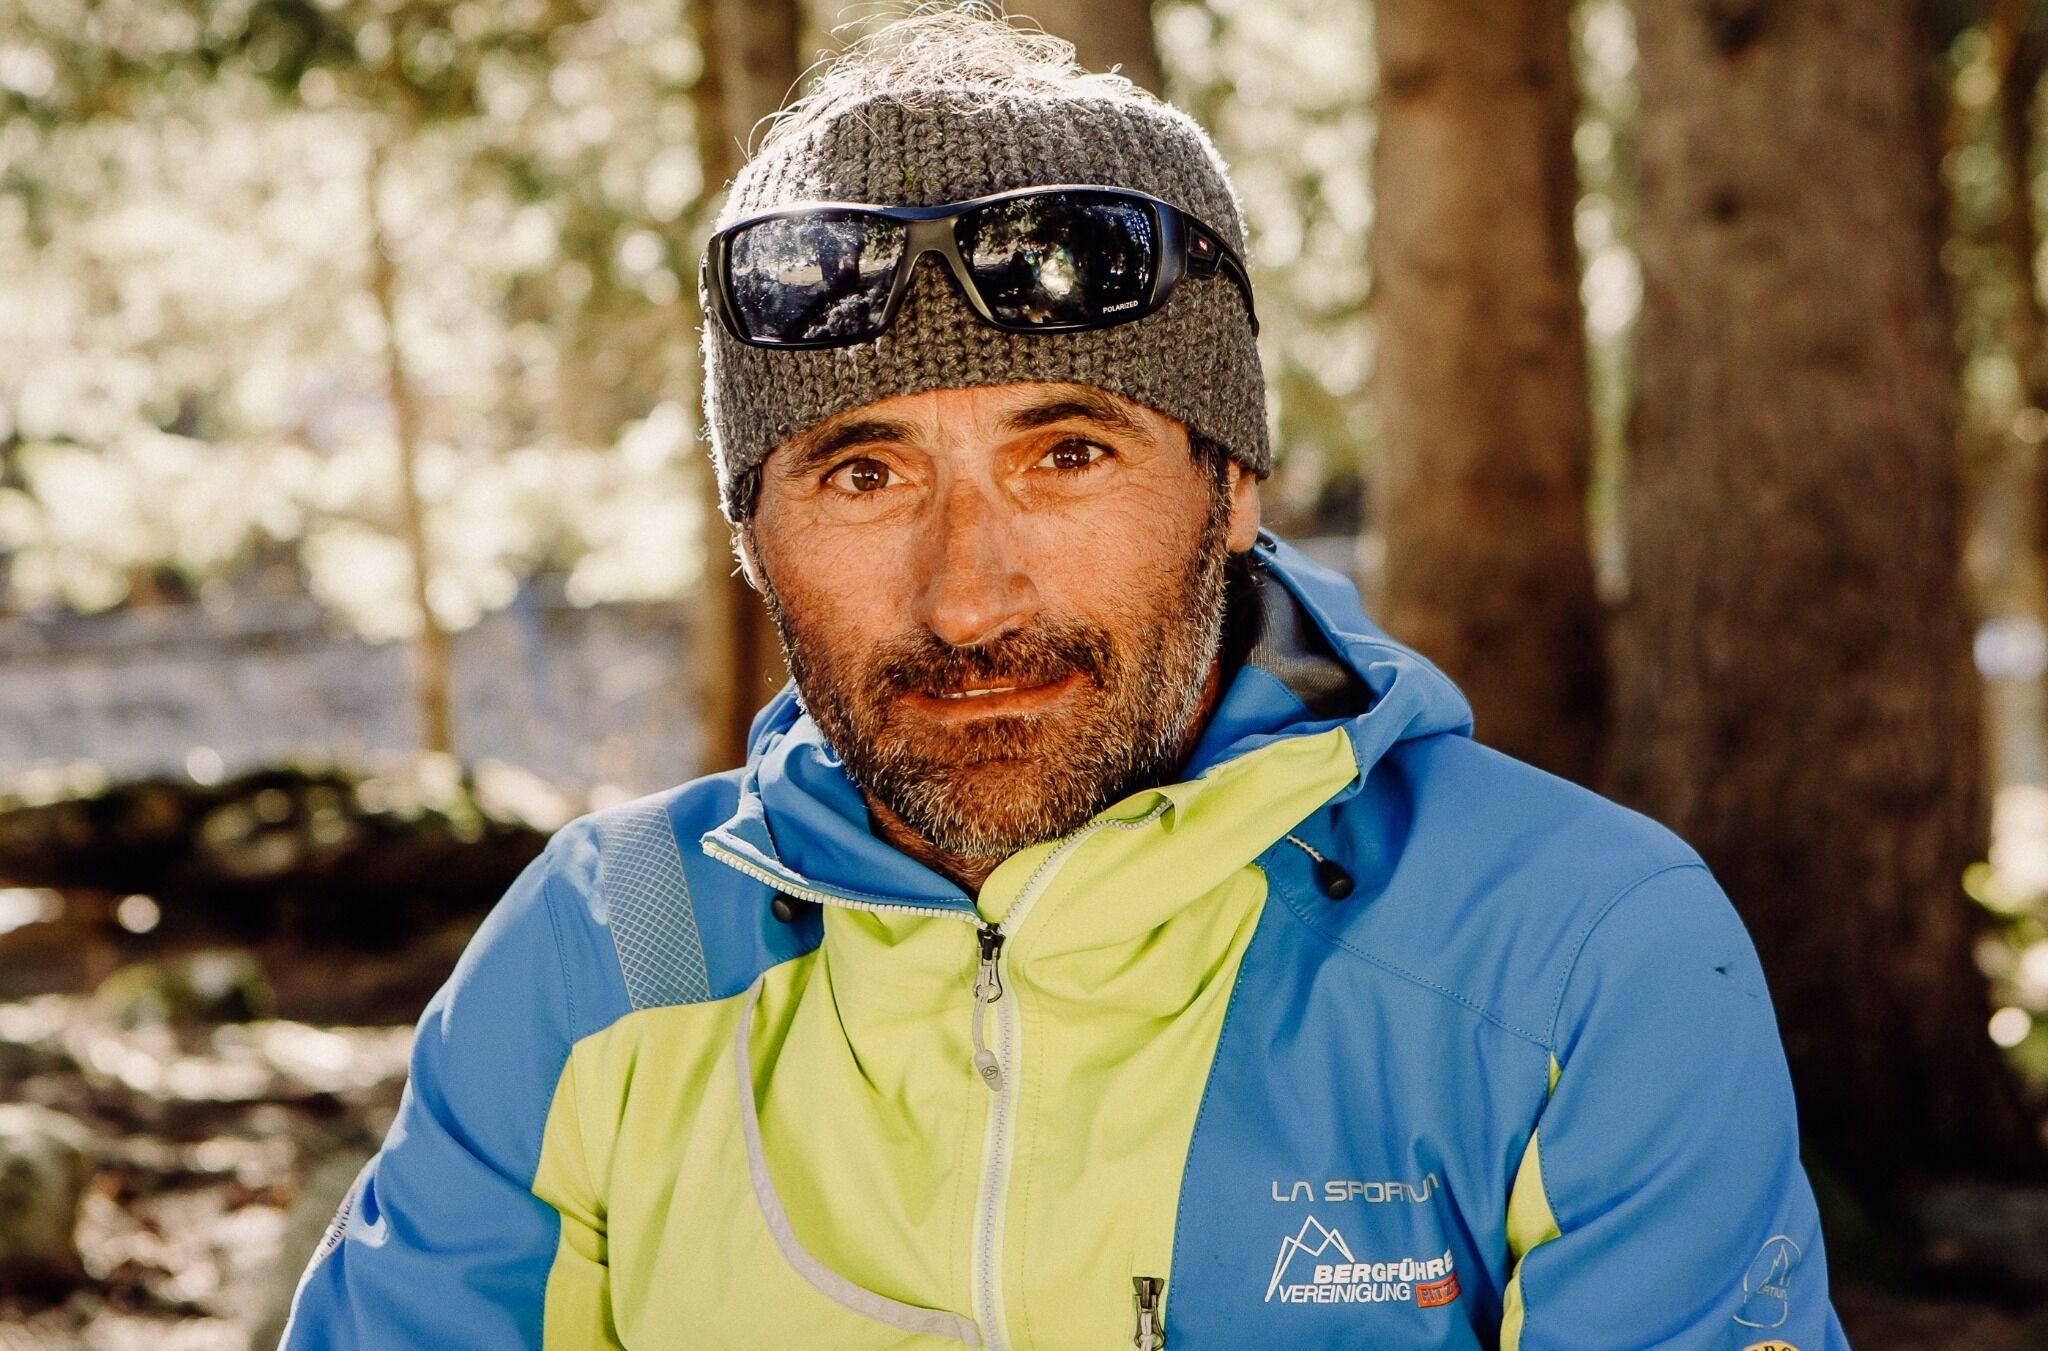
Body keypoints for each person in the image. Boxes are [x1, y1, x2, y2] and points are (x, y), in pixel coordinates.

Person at [280, 10, 1851, 1349]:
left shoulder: (1575, 951)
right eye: (863, 475)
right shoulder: (606, 951)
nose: (968, 596)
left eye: (1069, 453)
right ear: (749, 535)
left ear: (1231, 487)